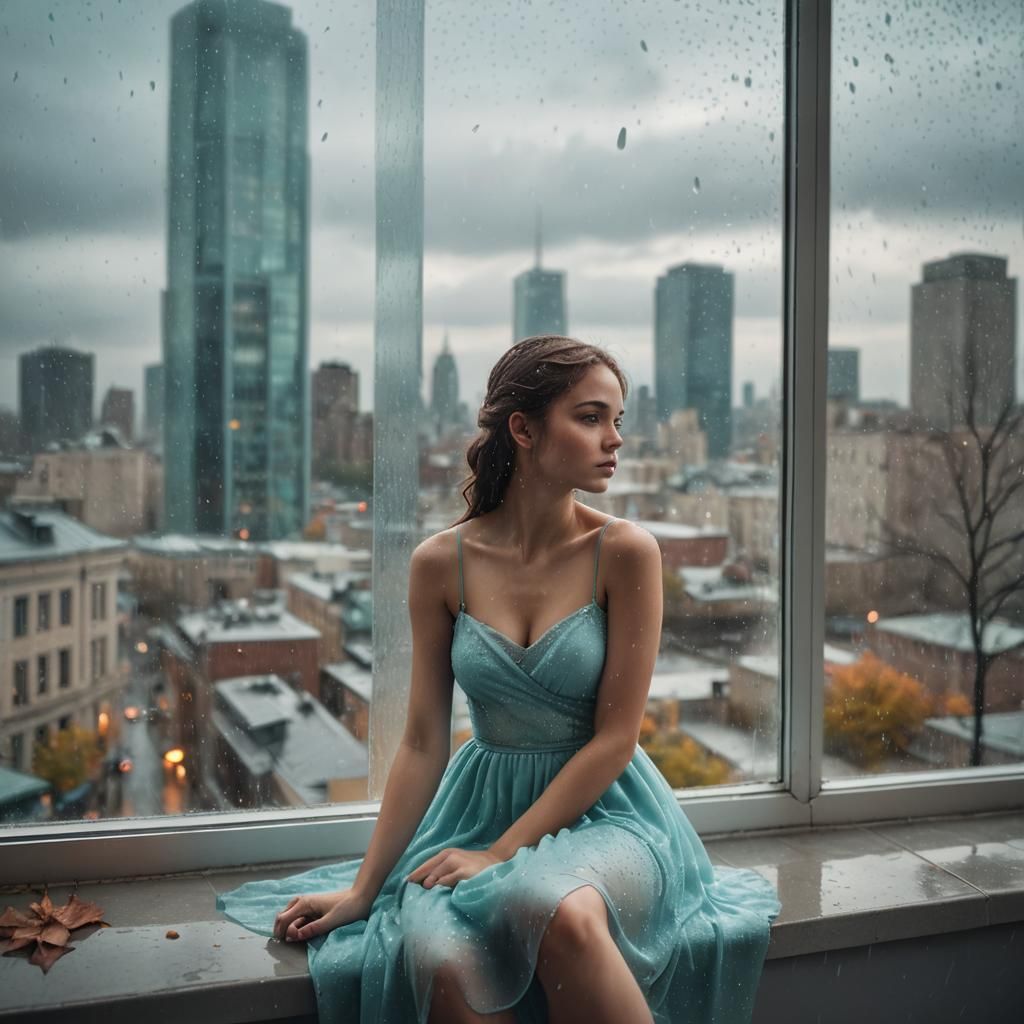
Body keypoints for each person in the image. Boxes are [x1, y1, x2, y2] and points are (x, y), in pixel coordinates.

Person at [216, 335, 782, 1023]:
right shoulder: (439, 563)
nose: (615, 440)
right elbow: (424, 741)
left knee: (555, 909)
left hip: (610, 813)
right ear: (524, 429)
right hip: (477, 808)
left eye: (619, 421)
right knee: (441, 961)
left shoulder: (626, 552)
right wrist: (366, 890)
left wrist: (501, 854)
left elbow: (615, 739)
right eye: (591, 417)